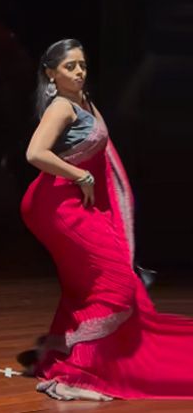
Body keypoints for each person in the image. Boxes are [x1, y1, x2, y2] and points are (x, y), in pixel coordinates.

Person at [21, 38, 193, 401]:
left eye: (82, 65)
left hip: (70, 203)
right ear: (51, 73)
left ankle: (64, 351)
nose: (79, 71)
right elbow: (35, 152)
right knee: (115, 283)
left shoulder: (84, 102)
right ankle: (76, 374)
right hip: (57, 204)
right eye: (70, 66)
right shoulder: (62, 107)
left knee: (85, 285)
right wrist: (79, 175)